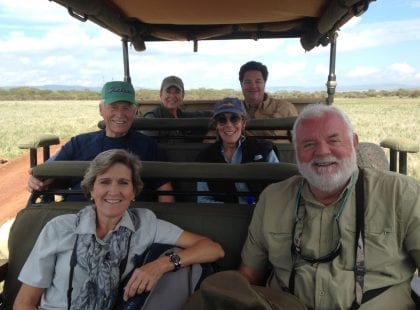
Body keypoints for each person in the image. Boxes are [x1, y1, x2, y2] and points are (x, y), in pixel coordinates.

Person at [239, 104, 420, 309]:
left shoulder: (402, 193)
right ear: (296, 151)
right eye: (308, 144)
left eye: (334, 140)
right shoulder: (273, 198)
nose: (322, 152)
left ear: (354, 143)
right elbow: (249, 274)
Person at [14, 149, 224, 309]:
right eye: (104, 182)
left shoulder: (145, 225)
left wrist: (160, 265)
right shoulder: (60, 228)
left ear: (134, 192)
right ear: (90, 189)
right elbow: (24, 302)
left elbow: (213, 249)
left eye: (123, 183)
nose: (114, 191)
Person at [27, 80, 174, 203]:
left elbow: (165, 190)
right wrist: (37, 180)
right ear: (101, 109)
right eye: (114, 107)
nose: (120, 114)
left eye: (126, 108)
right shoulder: (79, 143)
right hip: (76, 215)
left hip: (131, 218)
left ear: (134, 111)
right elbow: (48, 172)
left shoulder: (148, 145)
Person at [195, 97, 279, 204]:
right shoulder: (205, 157)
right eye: (222, 119)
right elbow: (203, 199)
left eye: (234, 119)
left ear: (243, 123)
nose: (228, 125)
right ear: (216, 125)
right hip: (224, 215)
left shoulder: (264, 150)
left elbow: (278, 190)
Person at [239, 60, 298, 141]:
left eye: (258, 81)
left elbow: (300, 141)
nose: (253, 86)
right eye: (247, 82)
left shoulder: (285, 108)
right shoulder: (234, 112)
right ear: (241, 85)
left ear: (264, 83)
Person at [142, 76, 212, 142]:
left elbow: (204, 115)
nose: (172, 96)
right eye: (168, 92)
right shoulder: (152, 118)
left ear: (183, 95)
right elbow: (147, 148)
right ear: (161, 94)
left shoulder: (183, 116)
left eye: (177, 92)